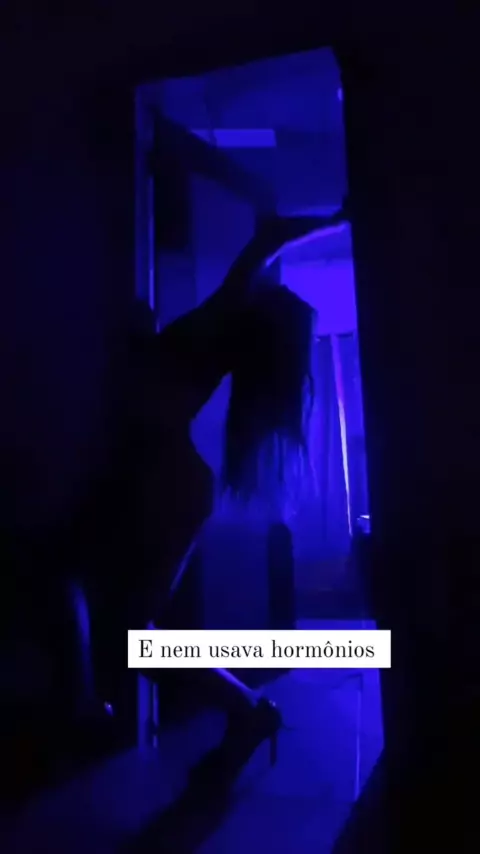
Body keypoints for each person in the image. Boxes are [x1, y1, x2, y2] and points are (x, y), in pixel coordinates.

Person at [100, 208, 348, 787]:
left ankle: (246, 712)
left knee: (132, 633)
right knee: (131, 630)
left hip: (165, 481)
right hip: (169, 481)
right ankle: (246, 714)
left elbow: (268, 239)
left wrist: (339, 217)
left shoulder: (219, 320)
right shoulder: (213, 335)